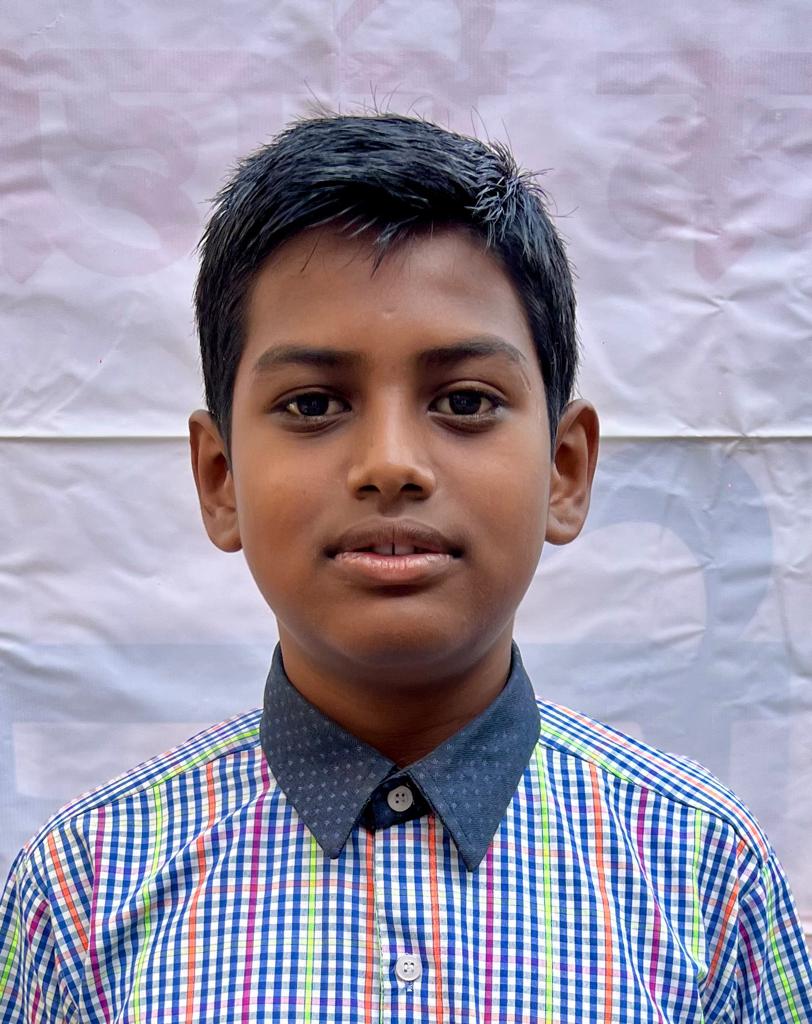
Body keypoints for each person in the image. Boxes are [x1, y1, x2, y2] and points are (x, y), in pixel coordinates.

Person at [1, 111, 810, 1023]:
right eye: (313, 404)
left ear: (564, 471)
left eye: (464, 401)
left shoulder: (705, 877)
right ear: (220, 478)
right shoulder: (81, 896)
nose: (390, 464)